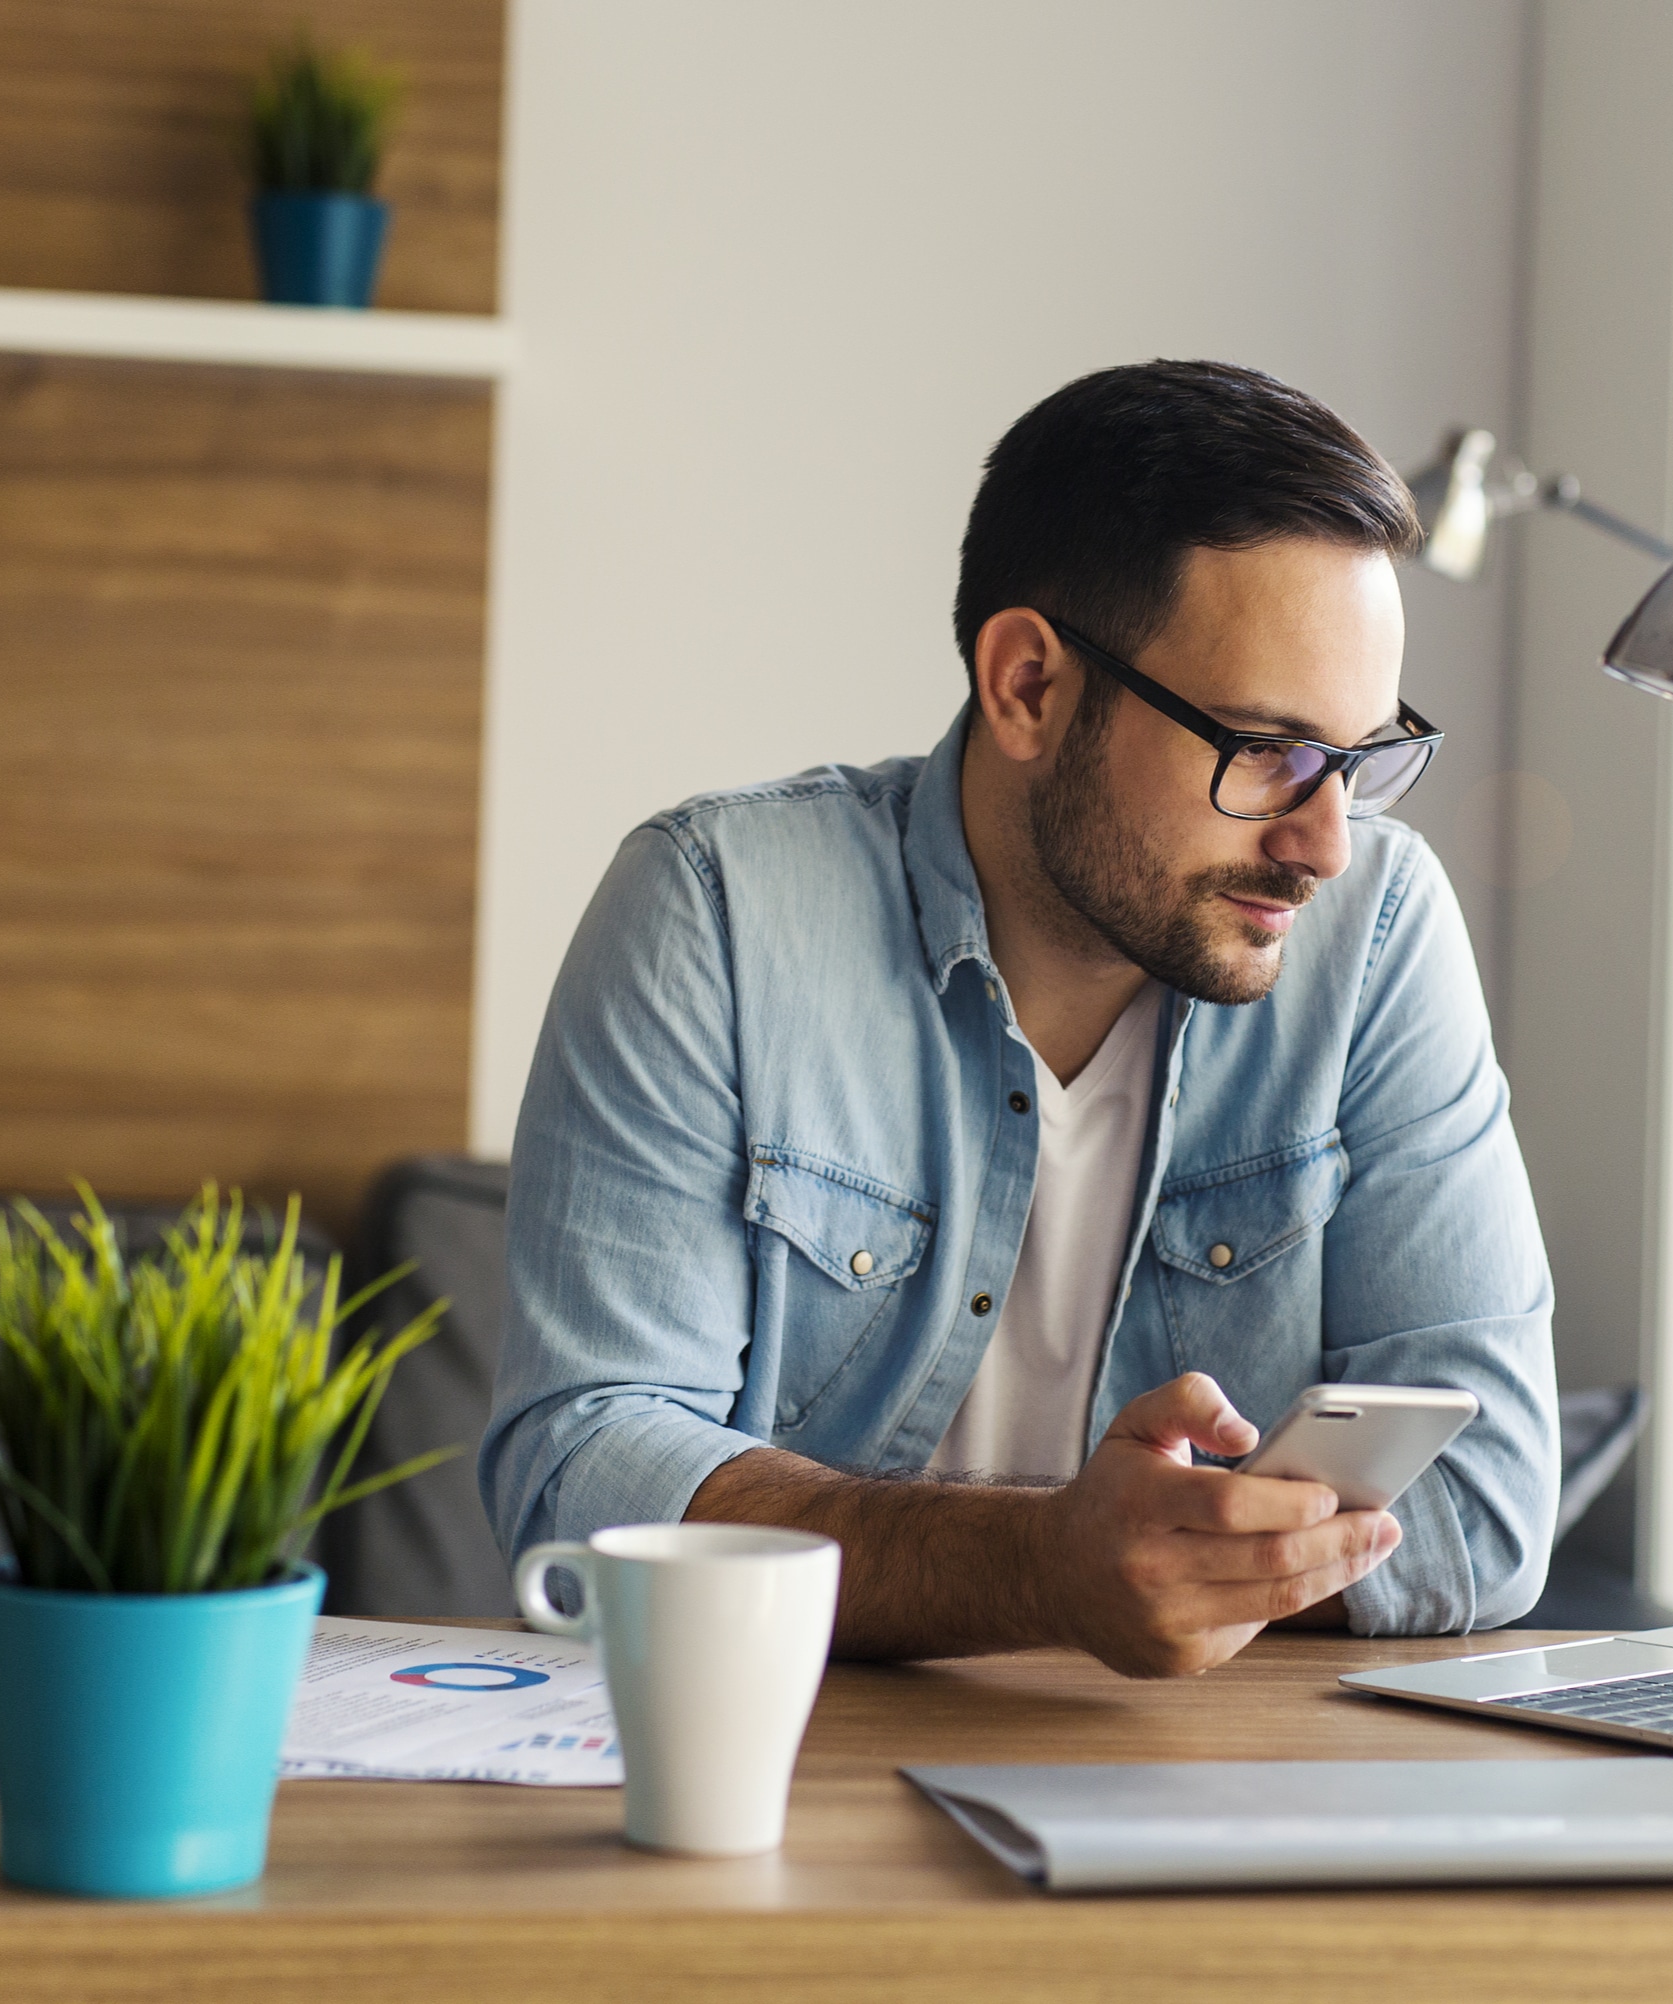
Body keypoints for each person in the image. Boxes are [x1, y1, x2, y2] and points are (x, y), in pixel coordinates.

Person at [480, 360, 1557, 1678]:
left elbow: (1491, 1500)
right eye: (1268, 750)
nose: (1327, 843)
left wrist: (1167, 1573)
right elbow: (582, 1470)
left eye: (1362, 759)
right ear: (1030, 687)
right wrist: (1045, 1571)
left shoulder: (1378, 935)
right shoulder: (716, 912)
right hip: (784, 1776)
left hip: (1206, 1793)